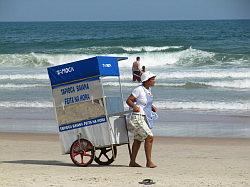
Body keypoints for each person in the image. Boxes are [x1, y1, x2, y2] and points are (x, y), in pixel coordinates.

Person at [126, 71, 158, 168]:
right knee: (149, 137)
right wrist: (134, 106)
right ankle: (149, 162)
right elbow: (129, 100)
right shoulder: (139, 89)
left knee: (138, 139)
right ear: (147, 81)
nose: (154, 81)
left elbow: (143, 102)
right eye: (152, 79)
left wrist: (152, 106)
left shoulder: (148, 90)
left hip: (144, 117)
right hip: (137, 117)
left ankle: (132, 162)